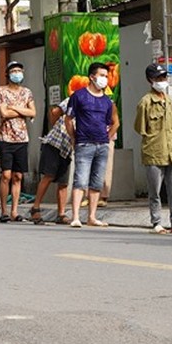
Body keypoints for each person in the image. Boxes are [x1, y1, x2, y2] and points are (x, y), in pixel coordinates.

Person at [135, 63, 172, 234]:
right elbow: (139, 127)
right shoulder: (146, 102)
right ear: (150, 80)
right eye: (158, 78)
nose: (162, 81)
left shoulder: (169, 101)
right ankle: (156, 222)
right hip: (154, 151)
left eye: (164, 77)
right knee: (155, 191)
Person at [66, 62, 119, 228]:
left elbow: (115, 122)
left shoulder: (107, 101)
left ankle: (92, 216)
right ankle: (75, 216)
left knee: (96, 182)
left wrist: (108, 138)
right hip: (84, 143)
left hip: (102, 145)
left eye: (106, 76)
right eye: (101, 75)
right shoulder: (79, 96)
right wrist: (74, 138)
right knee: (80, 180)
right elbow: (68, 119)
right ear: (92, 76)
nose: (104, 79)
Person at [0, 60, 36, 221]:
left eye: (19, 70)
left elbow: (33, 112)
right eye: (13, 71)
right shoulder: (1, 91)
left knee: (18, 176)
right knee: (6, 175)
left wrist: (14, 108)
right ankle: (4, 210)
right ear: (8, 74)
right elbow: (4, 114)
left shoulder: (27, 92)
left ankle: (14, 211)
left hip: (22, 138)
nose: (17, 73)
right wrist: (23, 111)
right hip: (6, 137)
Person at [33, 99, 73, 225]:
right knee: (48, 176)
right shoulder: (74, 98)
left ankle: (61, 214)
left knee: (63, 182)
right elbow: (55, 112)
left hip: (68, 148)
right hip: (55, 142)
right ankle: (35, 208)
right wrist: (58, 126)